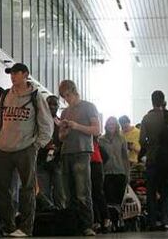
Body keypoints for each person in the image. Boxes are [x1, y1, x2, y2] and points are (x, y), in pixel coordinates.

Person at [0, 63, 53, 237]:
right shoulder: (5, 95)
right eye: (11, 73)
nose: (13, 76)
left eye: (16, 73)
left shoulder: (36, 96)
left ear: (25, 74)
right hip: (3, 148)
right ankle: (8, 225)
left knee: (27, 189)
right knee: (2, 189)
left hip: (26, 147)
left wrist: (37, 144)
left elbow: (46, 123)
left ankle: (26, 228)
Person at [58, 79, 100, 236]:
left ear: (74, 91)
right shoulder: (64, 112)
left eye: (68, 95)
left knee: (83, 191)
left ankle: (87, 225)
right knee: (68, 193)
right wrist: (64, 132)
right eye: (64, 96)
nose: (66, 99)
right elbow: (61, 137)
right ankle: (74, 225)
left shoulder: (89, 107)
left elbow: (96, 130)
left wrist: (77, 126)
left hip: (82, 152)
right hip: (66, 152)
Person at [139, 90, 168, 231]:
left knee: (151, 191)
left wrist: (151, 144)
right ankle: (166, 221)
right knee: (167, 192)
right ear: (163, 100)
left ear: (152, 101)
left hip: (153, 159)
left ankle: (152, 222)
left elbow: (142, 140)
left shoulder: (147, 118)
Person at [36, 95, 65, 211]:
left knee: (60, 193)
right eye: (50, 104)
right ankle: (48, 218)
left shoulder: (61, 123)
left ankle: (61, 217)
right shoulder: (38, 121)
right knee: (44, 193)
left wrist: (58, 147)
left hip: (58, 161)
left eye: (55, 104)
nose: (52, 107)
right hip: (41, 161)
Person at [99, 117, 130, 205]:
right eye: (109, 124)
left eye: (112, 124)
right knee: (109, 199)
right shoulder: (101, 140)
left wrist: (127, 173)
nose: (110, 126)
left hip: (120, 172)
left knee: (120, 199)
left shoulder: (122, 139)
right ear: (106, 126)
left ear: (116, 126)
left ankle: (119, 218)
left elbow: (125, 157)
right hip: (107, 173)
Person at [90, 136, 111, 233]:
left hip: (96, 165)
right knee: (91, 194)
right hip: (90, 164)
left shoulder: (95, 143)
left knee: (98, 193)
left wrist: (101, 164)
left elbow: (106, 156)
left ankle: (105, 218)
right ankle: (97, 220)